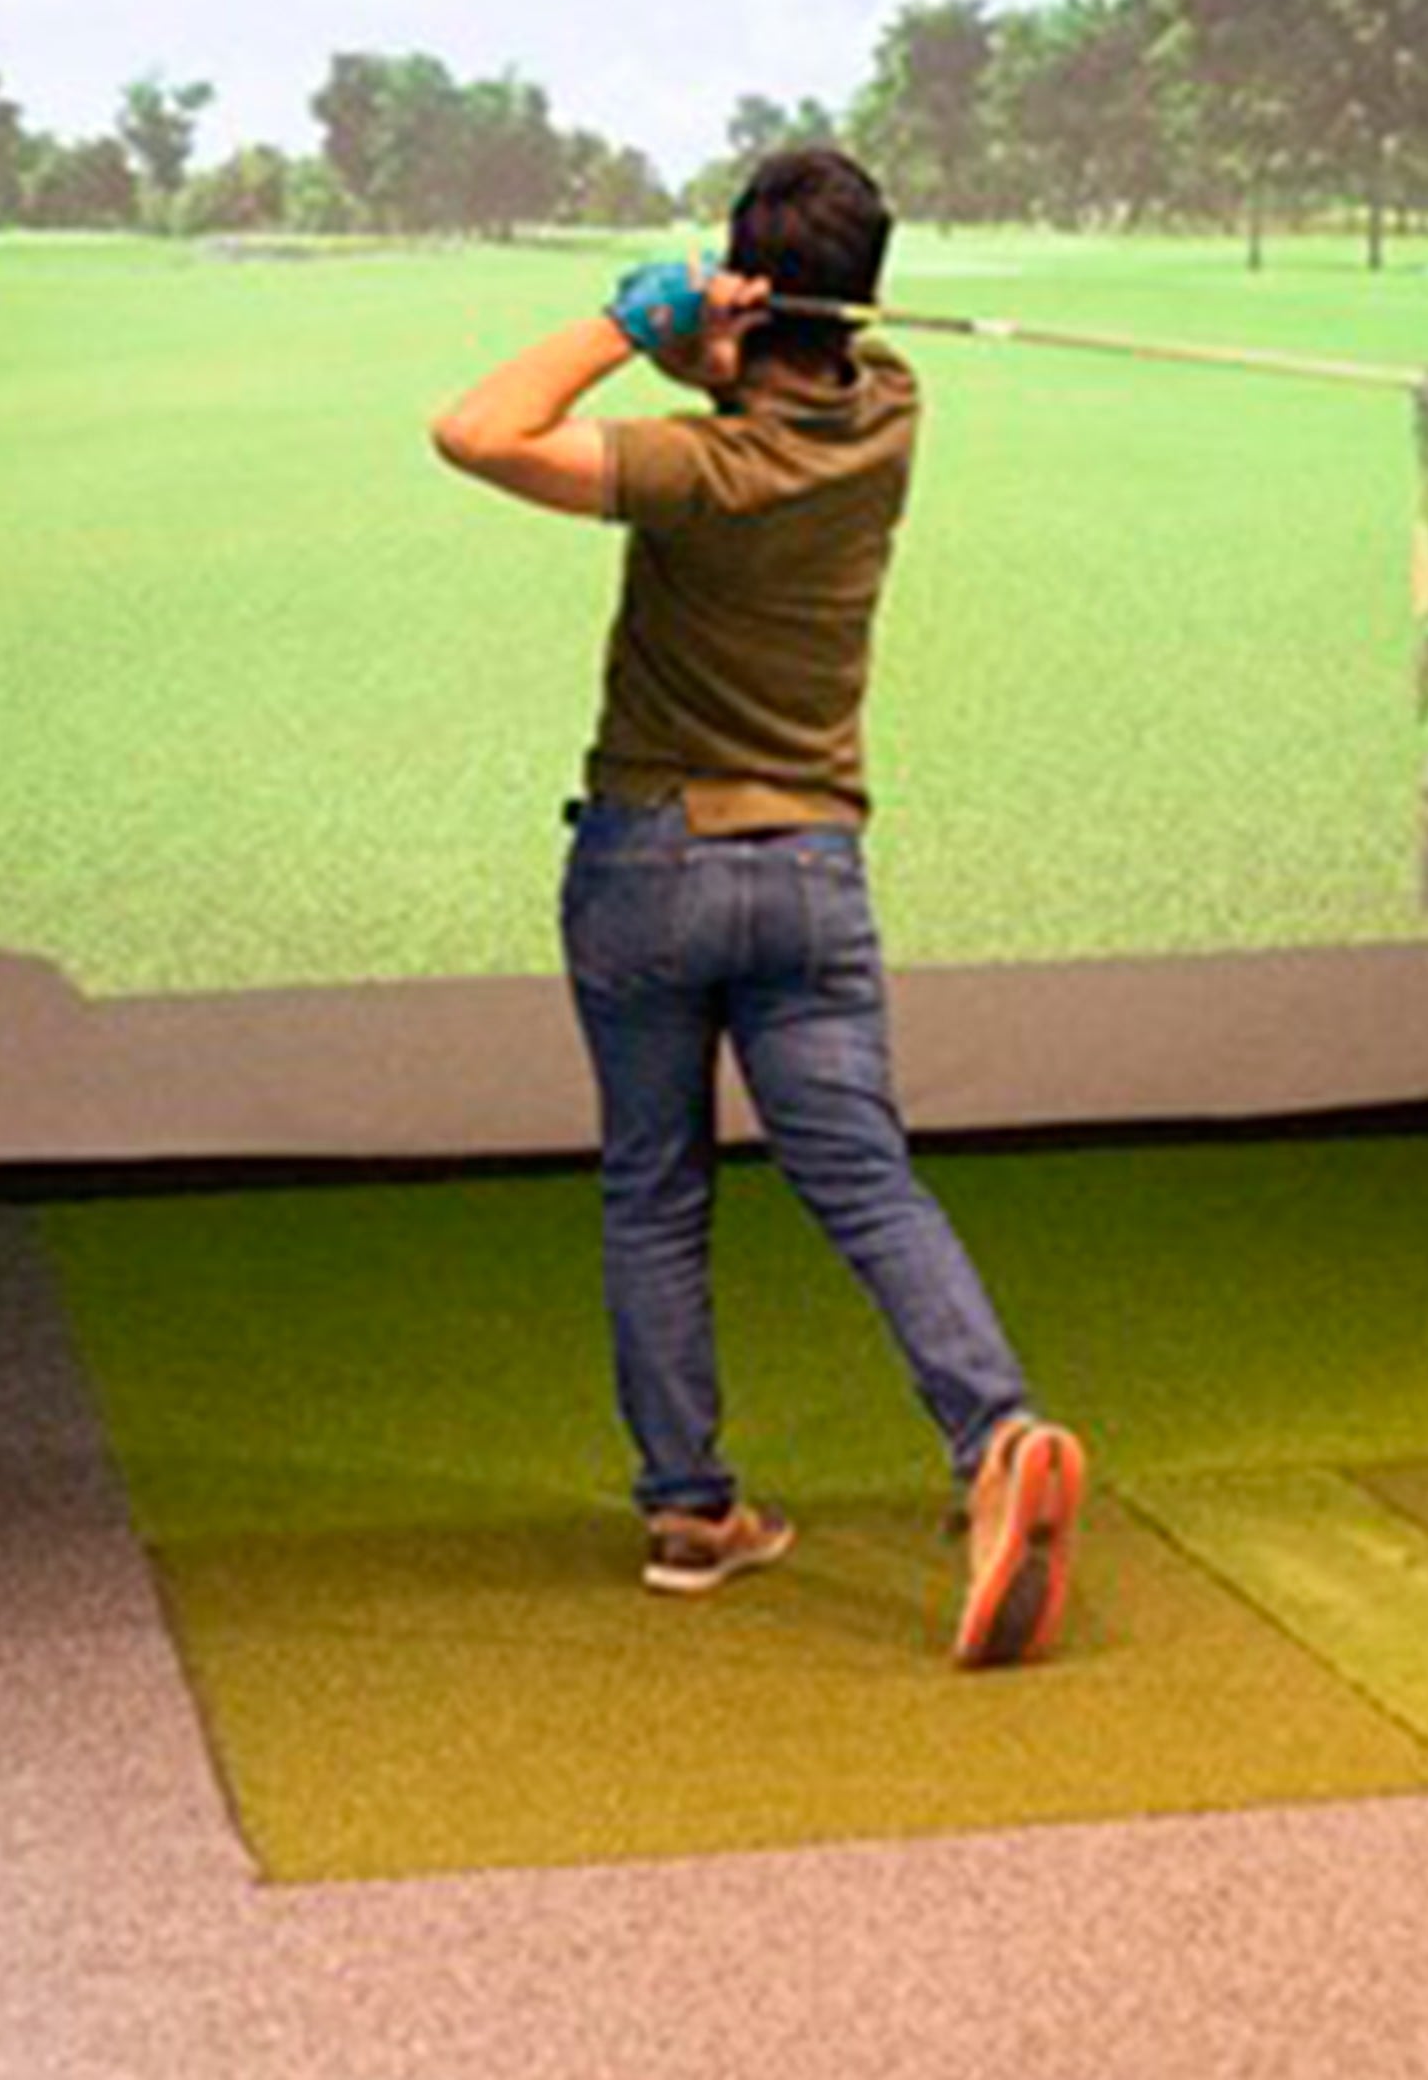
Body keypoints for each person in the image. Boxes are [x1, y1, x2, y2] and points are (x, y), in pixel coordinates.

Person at [427, 147, 1085, 1671]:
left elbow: (474, 430)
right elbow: (799, 383)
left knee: (655, 1188)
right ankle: (996, 1437)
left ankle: (689, 1512)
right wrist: (736, 347)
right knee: (866, 1182)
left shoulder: (691, 467)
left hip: (647, 867)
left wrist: (631, 320)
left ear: (745, 278)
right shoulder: (894, 415)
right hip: (809, 876)